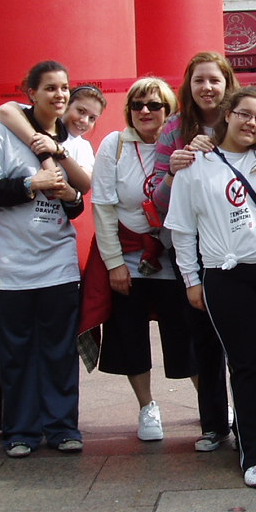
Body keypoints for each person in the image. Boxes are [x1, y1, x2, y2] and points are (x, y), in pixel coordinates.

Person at [167, 87, 256, 488]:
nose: (251, 123)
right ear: (227, 114)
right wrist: (191, 279)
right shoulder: (195, 163)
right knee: (247, 363)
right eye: (244, 114)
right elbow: (182, 228)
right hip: (225, 276)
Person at [0, 60, 89, 456]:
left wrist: (69, 196)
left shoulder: (74, 143)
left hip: (58, 264)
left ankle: (62, 427)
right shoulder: (3, 133)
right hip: (11, 266)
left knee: (60, 351)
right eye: (50, 88)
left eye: (64, 88)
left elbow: (78, 203)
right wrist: (30, 183)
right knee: (15, 352)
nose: (59, 95)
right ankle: (20, 430)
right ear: (32, 93)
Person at [91, 77, 195, 442]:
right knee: (130, 336)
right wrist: (114, 263)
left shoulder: (181, 143)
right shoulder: (115, 144)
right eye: (137, 105)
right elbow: (103, 207)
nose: (145, 111)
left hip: (173, 256)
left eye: (154, 105)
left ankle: (210, 402)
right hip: (130, 256)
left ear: (170, 110)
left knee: (186, 334)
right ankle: (147, 406)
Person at [153, 52, 239, 452]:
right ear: (188, 86)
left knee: (244, 337)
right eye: (199, 80)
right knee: (203, 338)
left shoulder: (241, 119)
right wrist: (173, 171)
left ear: (227, 84)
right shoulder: (173, 129)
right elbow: (157, 201)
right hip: (192, 249)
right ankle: (214, 424)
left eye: (214, 80)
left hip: (239, 243)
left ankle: (254, 417)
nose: (207, 88)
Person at [0, 84, 104, 193]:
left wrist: (58, 151)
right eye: (81, 111)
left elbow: (85, 185)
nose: (84, 120)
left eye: (92, 118)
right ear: (66, 105)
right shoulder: (33, 120)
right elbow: (5, 111)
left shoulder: (83, 146)